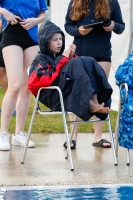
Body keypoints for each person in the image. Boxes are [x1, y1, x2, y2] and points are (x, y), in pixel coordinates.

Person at [28, 21, 112, 148]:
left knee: (87, 60)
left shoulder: (62, 56)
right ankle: (90, 103)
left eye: (60, 38)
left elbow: (74, 74)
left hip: (69, 93)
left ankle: (95, 101)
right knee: (75, 63)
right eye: (54, 40)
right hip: (54, 96)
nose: (59, 42)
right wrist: (65, 60)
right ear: (45, 41)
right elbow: (36, 82)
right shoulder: (40, 59)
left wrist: (71, 58)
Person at [64, 0, 125, 148]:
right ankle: (72, 136)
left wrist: (112, 26)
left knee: (100, 92)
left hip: (102, 55)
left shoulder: (111, 2)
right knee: (77, 92)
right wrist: (79, 31)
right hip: (80, 55)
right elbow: (68, 26)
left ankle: (98, 137)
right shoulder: (75, 2)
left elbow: (121, 27)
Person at [0, 0, 48, 151]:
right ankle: (3, 133)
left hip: (32, 36)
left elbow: (43, 13)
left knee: (27, 87)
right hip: (11, 33)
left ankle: (18, 133)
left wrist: (36, 20)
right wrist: (4, 12)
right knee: (14, 85)